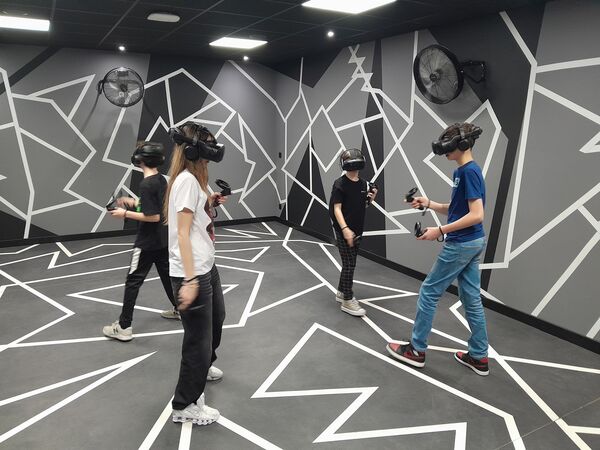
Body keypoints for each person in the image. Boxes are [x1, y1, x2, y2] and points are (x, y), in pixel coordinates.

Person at [386, 122, 490, 376]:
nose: (445, 151)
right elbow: (458, 210)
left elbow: (477, 215)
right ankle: (479, 356)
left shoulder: (469, 172)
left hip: (461, 244)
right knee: (471, 299)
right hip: (472, 242)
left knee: (429, 292)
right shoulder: (461, 171)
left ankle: (416, 350)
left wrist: (440, 231)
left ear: (462, 144)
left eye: (448, 145)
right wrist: (429, 203)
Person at [165, 122, 227, 426]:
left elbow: (196, 219)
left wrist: (211, 202)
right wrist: (189, 279)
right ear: (193, 151)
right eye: (207, 147)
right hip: (193, 271)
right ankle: (185, 404)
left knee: (217, 319)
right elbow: (182, 233)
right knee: (197, 340)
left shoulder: (197, 181)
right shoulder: (187, 181)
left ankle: (204, 366)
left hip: (205, 265)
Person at [102, 142, 179, 342]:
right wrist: (134, 203)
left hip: (146, 243)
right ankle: (180, 309)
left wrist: (124, 213)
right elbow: (154, 207)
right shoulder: (160, 180)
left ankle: (124, 327)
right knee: (167, 277)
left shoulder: (146, 184)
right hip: (162, 240)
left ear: (140, 159)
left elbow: (152, 216)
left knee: (133, 282)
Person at [329, 148, 377, 317]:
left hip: (357, 229)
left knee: (350, 263)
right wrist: (345, 229)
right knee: (349, 264)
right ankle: (347, 300)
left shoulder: (364, 184)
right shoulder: (339, 184)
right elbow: (336, 209)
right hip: (344, 230)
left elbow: (361, 206)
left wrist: (371, 198)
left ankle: (341, 291)